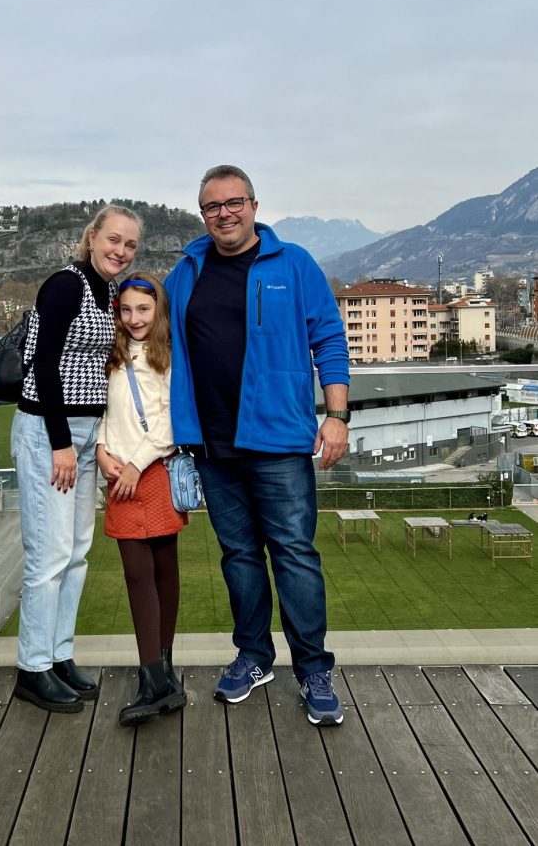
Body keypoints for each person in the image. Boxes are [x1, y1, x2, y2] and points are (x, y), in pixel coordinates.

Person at [164, 165, 350, 726]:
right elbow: (145, 330)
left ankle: (313, 668)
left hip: (279, 442)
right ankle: (254, 656)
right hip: (212, 444)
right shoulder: (185, 271)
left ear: (253, 205)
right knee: (239, 556)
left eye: (234, 202)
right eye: (212, 206)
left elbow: (329, 338)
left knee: (294, 553)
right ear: (203, 214)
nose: (224, 213)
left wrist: (336, 415)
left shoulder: (294, 263)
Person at [12, 204, 142, 712]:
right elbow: (44, 364)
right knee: (48, 554)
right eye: (113, 240)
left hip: (85, 435)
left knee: (75, 552)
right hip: (51, 432)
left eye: (130, 245)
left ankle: (58, 655)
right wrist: (60, 441)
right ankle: (32, 667)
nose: (120, 251)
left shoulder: (108, 291)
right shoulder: (66, 285)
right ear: (92, 238)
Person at [97, 272, 188, 726]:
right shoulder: (112, 355)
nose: (134, 318)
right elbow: (105, 412)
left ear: (159, 311)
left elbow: (173, 419)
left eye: (144, 309)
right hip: (120, 475)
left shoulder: (168, 356)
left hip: (152, 472)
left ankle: (158, 675)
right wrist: (101, 449)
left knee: (160, 570)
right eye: (127, 309)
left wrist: (137, 463)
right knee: (139, 574)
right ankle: (158, 677)